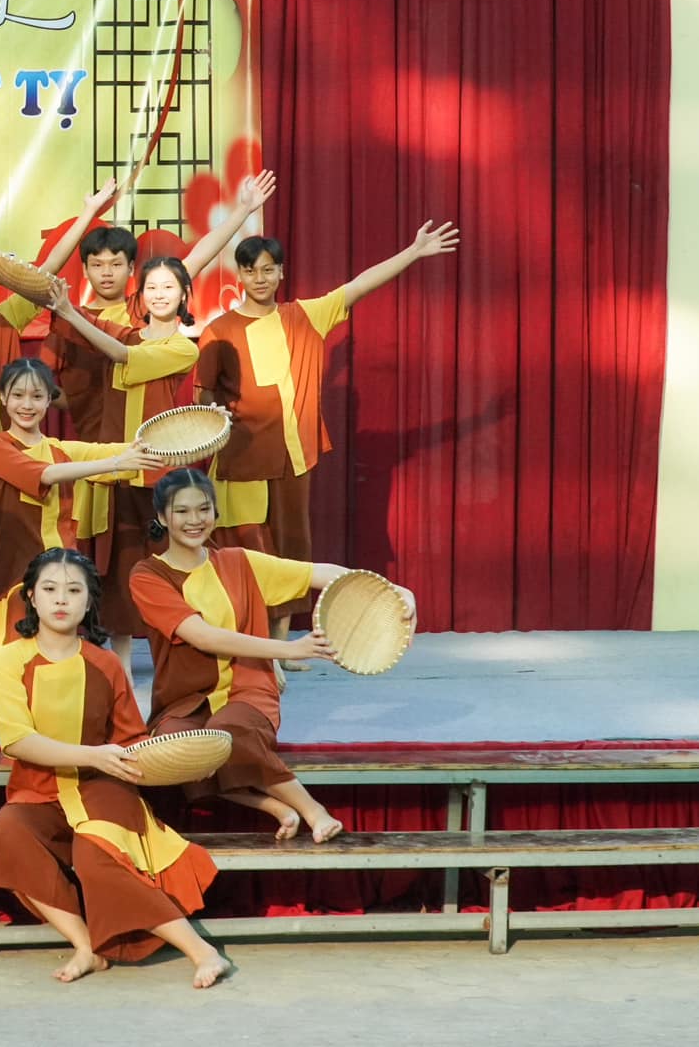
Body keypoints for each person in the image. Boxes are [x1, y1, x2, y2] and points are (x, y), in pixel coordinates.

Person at [42, 175, 278, 664]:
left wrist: (241, 211)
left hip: (157, 470)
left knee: (176, 560)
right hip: (110, 463)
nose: (159, 292)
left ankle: (208, 648)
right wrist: (88, 215)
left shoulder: (170, 341)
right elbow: (43, 290)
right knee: (118, 564)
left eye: (167, 287)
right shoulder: (108, 323)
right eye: (153, 287)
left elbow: (189, 266)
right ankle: (122, 664)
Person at [195, 220, 457, 655]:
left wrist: (412, 253)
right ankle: (248, 644)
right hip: (240, 460)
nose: (259, 279)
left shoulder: (304, 316)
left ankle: (280, 643)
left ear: (281, 273)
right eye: (251, 271)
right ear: (238, 275)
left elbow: (359, 286)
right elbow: (203, 399)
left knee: (291, 552)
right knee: (244, 549)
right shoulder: (219, 330)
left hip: (293, 458)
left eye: (268, 269)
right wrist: (212, 421)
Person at [0, 547, 230, 987]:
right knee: (9, 831)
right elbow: (18, 741)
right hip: (38, 790)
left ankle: (203, 951)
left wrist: (175, 762)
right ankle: (86, 947)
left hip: (103, 787)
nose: (62, 599)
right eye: (50, 589)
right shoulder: (6, 661)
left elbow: (131, 740)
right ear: (32, 597)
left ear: (89, 602)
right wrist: (92, 754)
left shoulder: (105, 663)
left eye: (74, 590)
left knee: (95, 855)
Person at [129, 468, 414, 842]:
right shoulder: (147, 575)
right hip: (183, 700)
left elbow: (318, 573)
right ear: (162, 517)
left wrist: (394, 590)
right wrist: (291, 649)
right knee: (176, 750)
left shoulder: (238, 562)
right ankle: (276, 807)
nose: (194, 520)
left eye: (203, 509)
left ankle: (314, 811)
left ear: (215, 512)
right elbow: (202, 636)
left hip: (247, 691)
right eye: (181, 511)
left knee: (228, 734)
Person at [0, 181, 115, 618]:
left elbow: (47, 271)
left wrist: (88, 212)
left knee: (10, 550)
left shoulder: (4, 318)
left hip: (14, 460)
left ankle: (16, 630)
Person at [0, 358, 164, 697]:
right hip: (16, 566)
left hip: (62, 564)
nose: (27, 405)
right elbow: (44, 474)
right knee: (15, 677)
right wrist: (115, 463)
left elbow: (125, 451)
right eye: (18, 395)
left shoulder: (61, 449)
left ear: (49, 400)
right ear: (2, 397)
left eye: (37, 396)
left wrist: (193, 429)